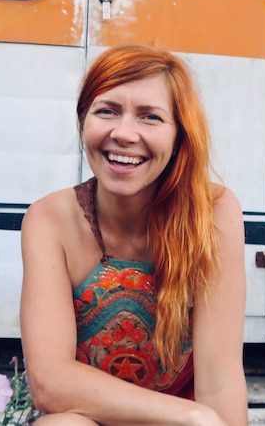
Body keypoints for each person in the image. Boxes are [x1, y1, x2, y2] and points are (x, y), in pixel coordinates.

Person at [20, 45, 248, 425]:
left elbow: (220, 387)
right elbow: (50, 383)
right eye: (106, 110)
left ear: (179, 136)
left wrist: (203, 419)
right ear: (82, 122)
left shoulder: (215, 214)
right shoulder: (49, 220)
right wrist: (192, 416)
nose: (124, 134)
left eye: (150, 117)